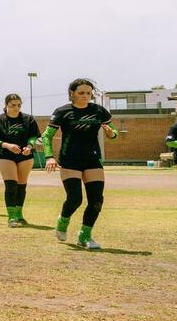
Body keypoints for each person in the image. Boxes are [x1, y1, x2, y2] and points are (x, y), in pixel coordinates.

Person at [41, 78, 119, 249]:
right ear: (72, 94)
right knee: (75, 199)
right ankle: (63, 221)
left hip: (92, 159)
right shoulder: (62, 111)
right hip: (70, 160)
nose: (85, 96)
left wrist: (110, 133)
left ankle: (85, 236)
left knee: (96, 200)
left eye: (89, 93)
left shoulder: (99, 111)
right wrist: (49, 157)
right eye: (81, 93)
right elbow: (46, 136)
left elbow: (114, 133)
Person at [0, 93, 39, 228]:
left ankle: (19, 214)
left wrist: (29, 146)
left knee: (21, 185)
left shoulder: (28, 119)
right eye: (13, 105)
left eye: (19, 105)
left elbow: (34, 137)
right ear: (6, 105)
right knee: (11, 184)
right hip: (5, 155)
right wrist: (7, 145)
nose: (16, 108)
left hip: (25, 156)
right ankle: (11, 217)